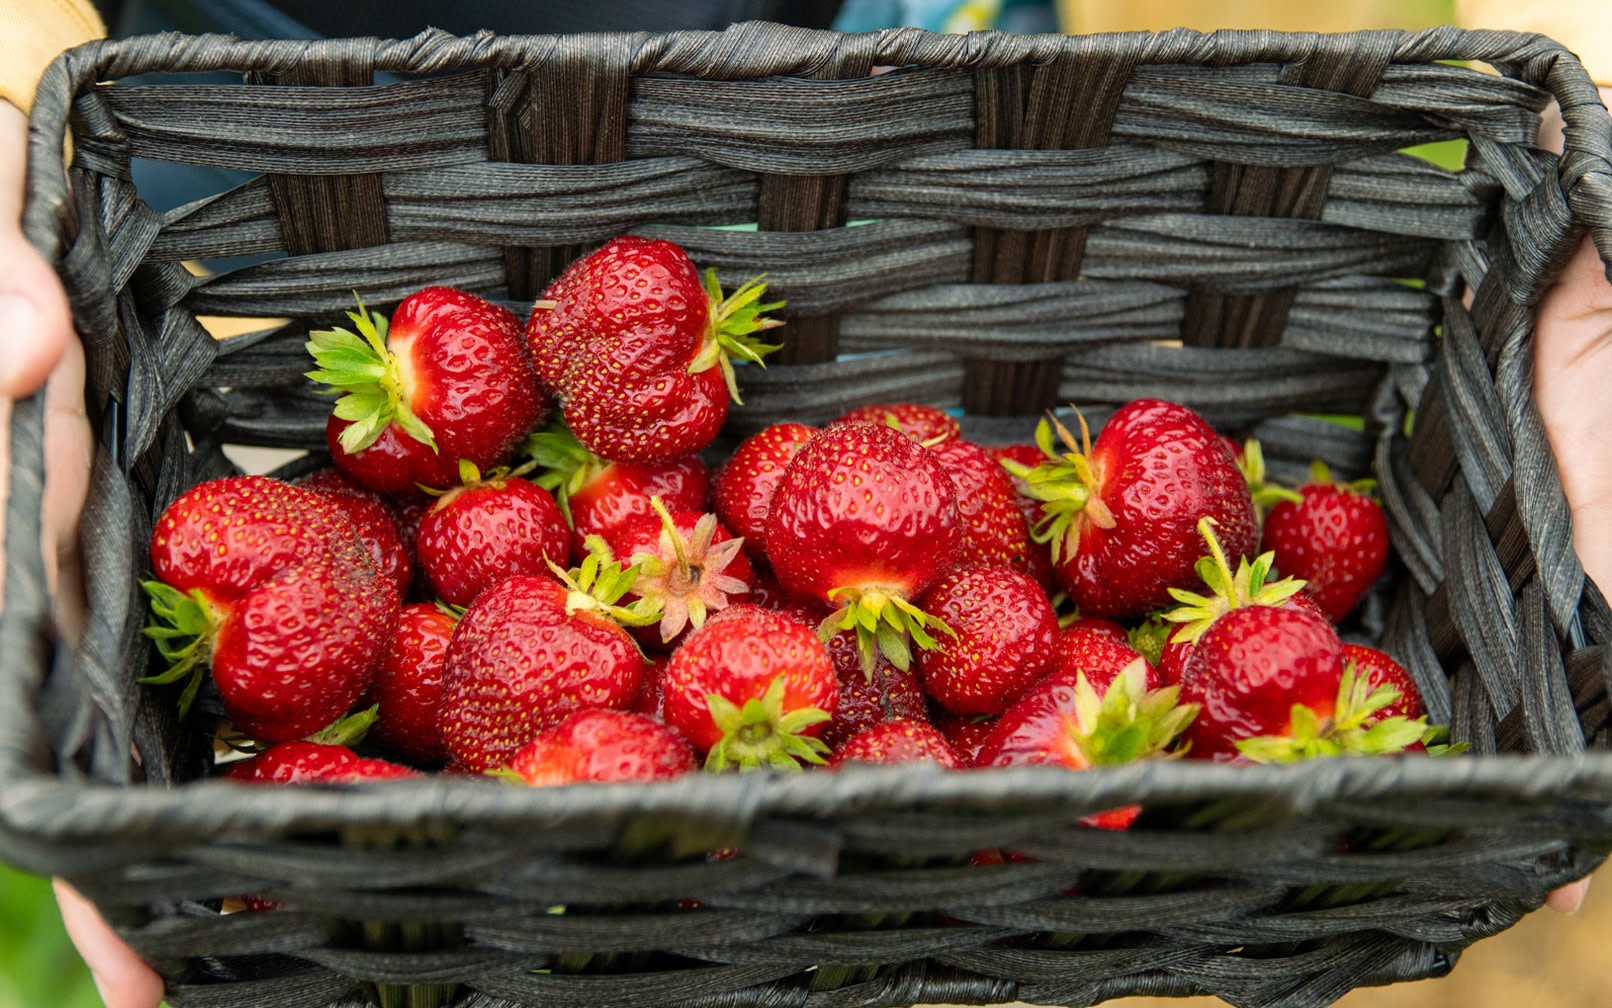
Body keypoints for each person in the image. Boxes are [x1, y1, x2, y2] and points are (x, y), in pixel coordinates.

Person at [0, 2, 1607, 1006]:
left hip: (934, 70)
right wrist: (14, 158)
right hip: (286, 142)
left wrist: (1575, 154)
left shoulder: (843, 559)